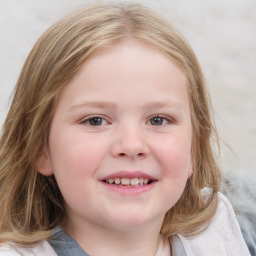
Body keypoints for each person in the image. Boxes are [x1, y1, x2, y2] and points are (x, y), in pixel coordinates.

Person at [0, 2, 251, 255]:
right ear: (40, 147)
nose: (131, 146)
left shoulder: (225, 234)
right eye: (95, 120)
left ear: (194, 149)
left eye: (158, 120)